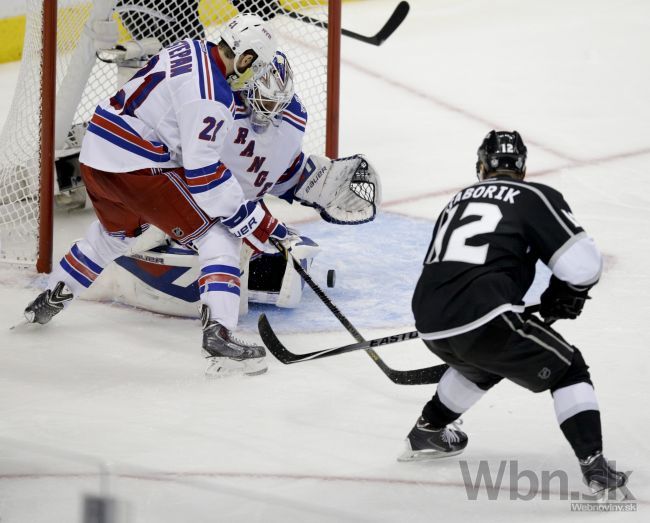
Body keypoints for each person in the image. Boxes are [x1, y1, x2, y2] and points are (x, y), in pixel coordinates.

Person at [23, 14, 285, 377]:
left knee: (116, 236)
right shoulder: (213, 96)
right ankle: (220, 335)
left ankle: (49, 298)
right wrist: (252, 221)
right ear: (245, 58)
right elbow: (203, 175)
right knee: (218, 235)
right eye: (257, 65)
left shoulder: (191, 47)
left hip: (97, 154)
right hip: (135, 164)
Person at [403, 130, 627, 498]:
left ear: (480, 167)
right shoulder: (534, 196)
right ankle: (596, 466)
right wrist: (564, 294)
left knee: (485, 362)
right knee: (568, 368)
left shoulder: (456, 201)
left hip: (428, 318)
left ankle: (428, 431)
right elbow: (584, 265)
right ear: (522, 168)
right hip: (486, 316)